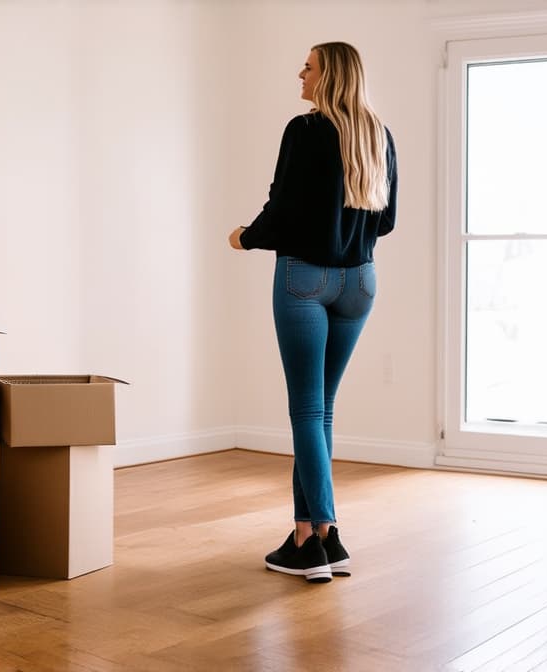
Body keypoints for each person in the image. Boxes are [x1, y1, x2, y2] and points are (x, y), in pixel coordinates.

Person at [228, 41, 397, 583]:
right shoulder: (378, 135)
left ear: (330, 77)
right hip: (361, 281)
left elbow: (282, 207)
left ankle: (325, 529)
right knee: (321, 409)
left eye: (309, 66)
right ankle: (306, 537)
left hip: (306, 277)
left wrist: (244, 238)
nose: (299, 73)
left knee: (305, 409)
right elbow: (386, 220)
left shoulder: (304, 130)